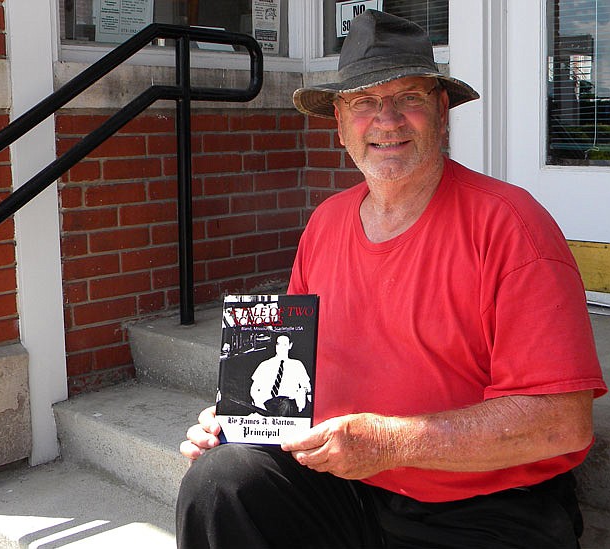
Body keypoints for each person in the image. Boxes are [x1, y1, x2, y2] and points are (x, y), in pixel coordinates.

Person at [176, 10, 607, 549]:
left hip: (484, 509)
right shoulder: (327, 222)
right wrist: (242, 418)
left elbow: (560, 424)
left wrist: (388, 443)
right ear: (338, 121)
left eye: (408, 97)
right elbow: (291, 365)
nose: (387, 120)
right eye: (364, 102)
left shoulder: (511, 226)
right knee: (221, 481)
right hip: (349, 486)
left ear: (441, 111)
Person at [250, 334, 312, 416]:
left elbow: (307, 386)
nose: (281, 347)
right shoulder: (265, 365)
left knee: (286, 405)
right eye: (278, 344)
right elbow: (254, 388)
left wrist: (302, 392)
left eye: (284, 344)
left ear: (290, 346)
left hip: (288, 402)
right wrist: (258, 402)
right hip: (267, 403)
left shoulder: (297, 365)